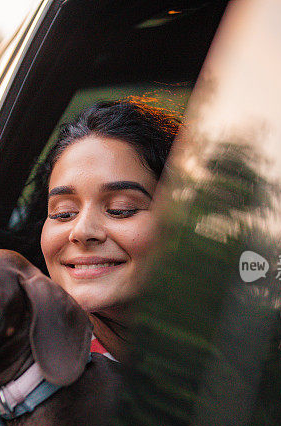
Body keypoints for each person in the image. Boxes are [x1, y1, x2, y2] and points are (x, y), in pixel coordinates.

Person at [36, 97, 181, 361]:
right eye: (63, 213)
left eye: (120, 209)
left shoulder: (249, 344)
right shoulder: (20, 373)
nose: (81, 231)